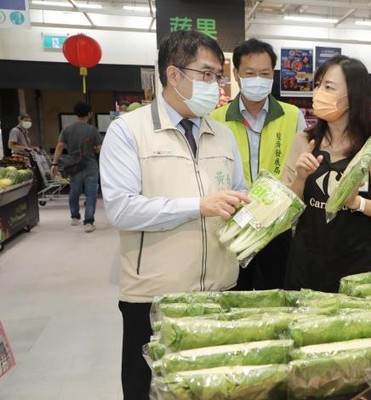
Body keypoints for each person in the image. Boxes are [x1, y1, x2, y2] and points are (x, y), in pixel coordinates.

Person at [99, 30, 250, 400]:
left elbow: (239, 192)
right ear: (173, 75)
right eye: (206, 74)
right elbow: (122, 209)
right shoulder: (128, 132)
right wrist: (197, 206)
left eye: (218, 76)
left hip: (218, 292)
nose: (215, 85)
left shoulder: (223, 135)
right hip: (154, 297)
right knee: (148, 388)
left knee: (212, 387)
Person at [281, 55, 371, 293]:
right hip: (307, 263)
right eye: (317, 85)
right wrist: (300, 178)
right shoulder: (304, 140)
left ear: (353, 95)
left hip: (359, 265)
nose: (318, 93)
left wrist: (358, 203)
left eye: (328, 87)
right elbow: (285, 211)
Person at [211, 38, 307, 290]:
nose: (257, 79)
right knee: (235, 296)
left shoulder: (293, 116)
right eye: (250, 73)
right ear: (236, 74)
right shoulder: (215, 118)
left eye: (264, 73)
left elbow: (302, 167)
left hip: (278, 227)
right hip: (234, 224)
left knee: (276, 297)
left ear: (273, 74)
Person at [50, 102, 103, 232]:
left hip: (74, 167)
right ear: (90, 114)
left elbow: (60, 146)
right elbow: (99, 149)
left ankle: (74, 216)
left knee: (74, 192)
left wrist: (54, 164)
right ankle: (89, 222)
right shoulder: (93, 130)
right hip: (90, 167)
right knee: (91, 194)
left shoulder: (67, 129)